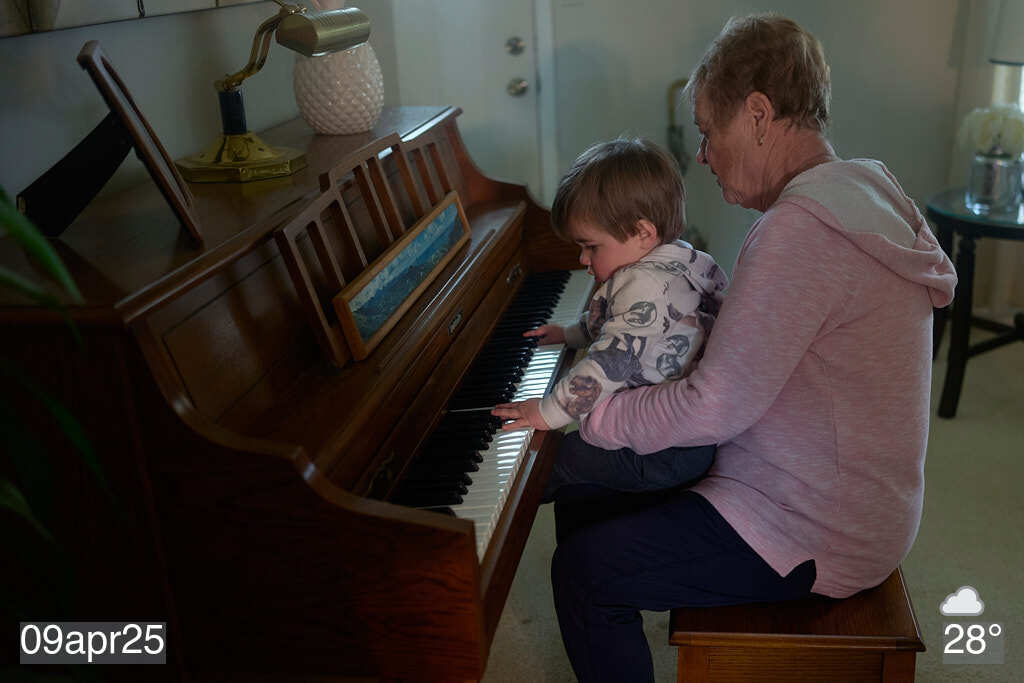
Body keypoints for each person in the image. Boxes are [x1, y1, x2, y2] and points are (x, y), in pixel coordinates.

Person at [538, 14, 957, 683]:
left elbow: (712, 407)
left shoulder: (800, 231)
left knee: (584, 568)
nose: (703, 154)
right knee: (588, 493)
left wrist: (594, 415)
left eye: (709, 131)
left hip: (815, 526)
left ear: (758, 115)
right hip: (857, 498)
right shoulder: (865, 188)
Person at [492, 138, 727, 501]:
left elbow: (609, 363)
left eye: (591, 247)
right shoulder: (681, 260)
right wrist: (570, 334)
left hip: (662, 453)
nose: (583, 260)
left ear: (643, 233)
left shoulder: (642, 285)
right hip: (690, 441)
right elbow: (619, 323)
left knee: (551, 461)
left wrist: (548, 412)